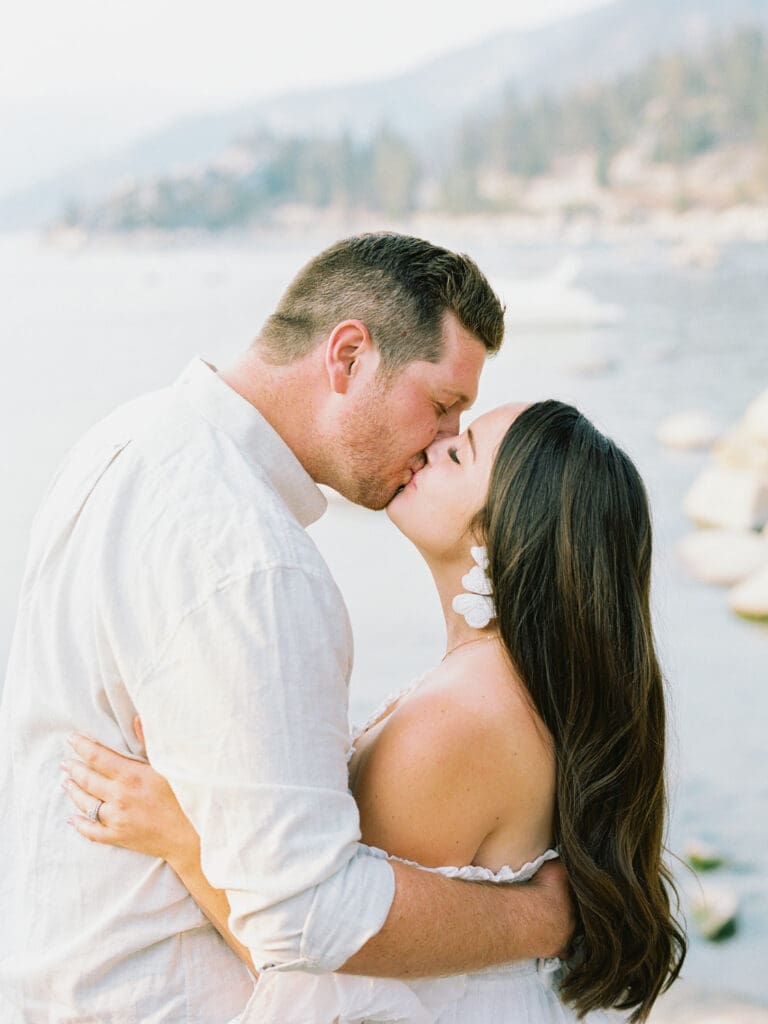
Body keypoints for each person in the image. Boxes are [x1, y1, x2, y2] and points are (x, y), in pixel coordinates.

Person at [0, 234, 573, 1024]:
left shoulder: (124, 442)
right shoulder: (255, 558)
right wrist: (541, 916)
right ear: (347, 357)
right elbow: (306, 913)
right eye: (442, 406)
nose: (440, 443)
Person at [63, 400, 687, 1023]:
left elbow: (319, 977)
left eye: (460, 452)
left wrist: (178, 832)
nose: (434, 445)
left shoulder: (460, 718)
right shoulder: (505, 687)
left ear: (503, 531)